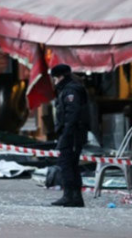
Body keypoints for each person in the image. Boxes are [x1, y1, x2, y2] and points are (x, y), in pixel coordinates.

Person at [50, 64, 89, 208]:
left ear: (60, 77)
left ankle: (69, 196)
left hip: (72, 134)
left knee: (66, 164)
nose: (54, 82)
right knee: (71, 165)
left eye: (55, 78)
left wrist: (65, 134)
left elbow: (72, 114)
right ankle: (75, 197)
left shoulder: (70, 90)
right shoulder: (70, 88)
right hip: (72, 133)